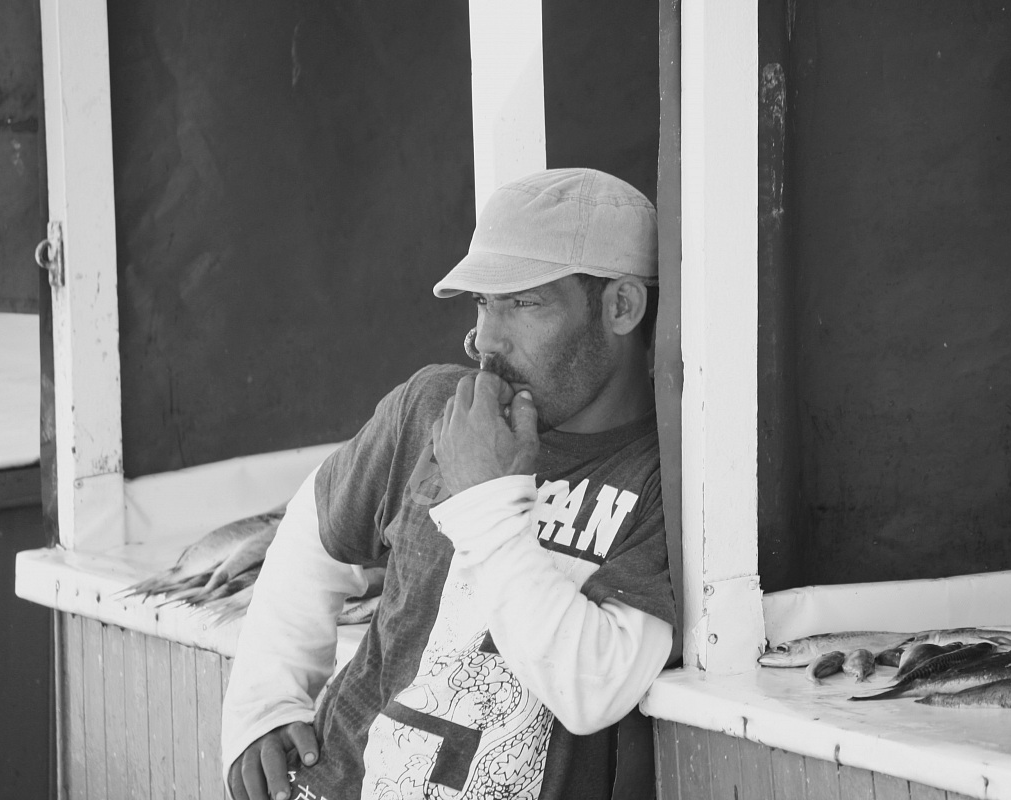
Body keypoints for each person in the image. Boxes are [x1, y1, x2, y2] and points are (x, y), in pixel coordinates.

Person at [222, 167, 676, 800]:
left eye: (524, 303)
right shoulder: (437, 404)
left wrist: (485, 498)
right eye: (483, 303)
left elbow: (591, 691)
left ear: (621, 306)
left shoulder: (668, 477)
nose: (487, 341)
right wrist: (263, 703)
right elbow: (313, 531)